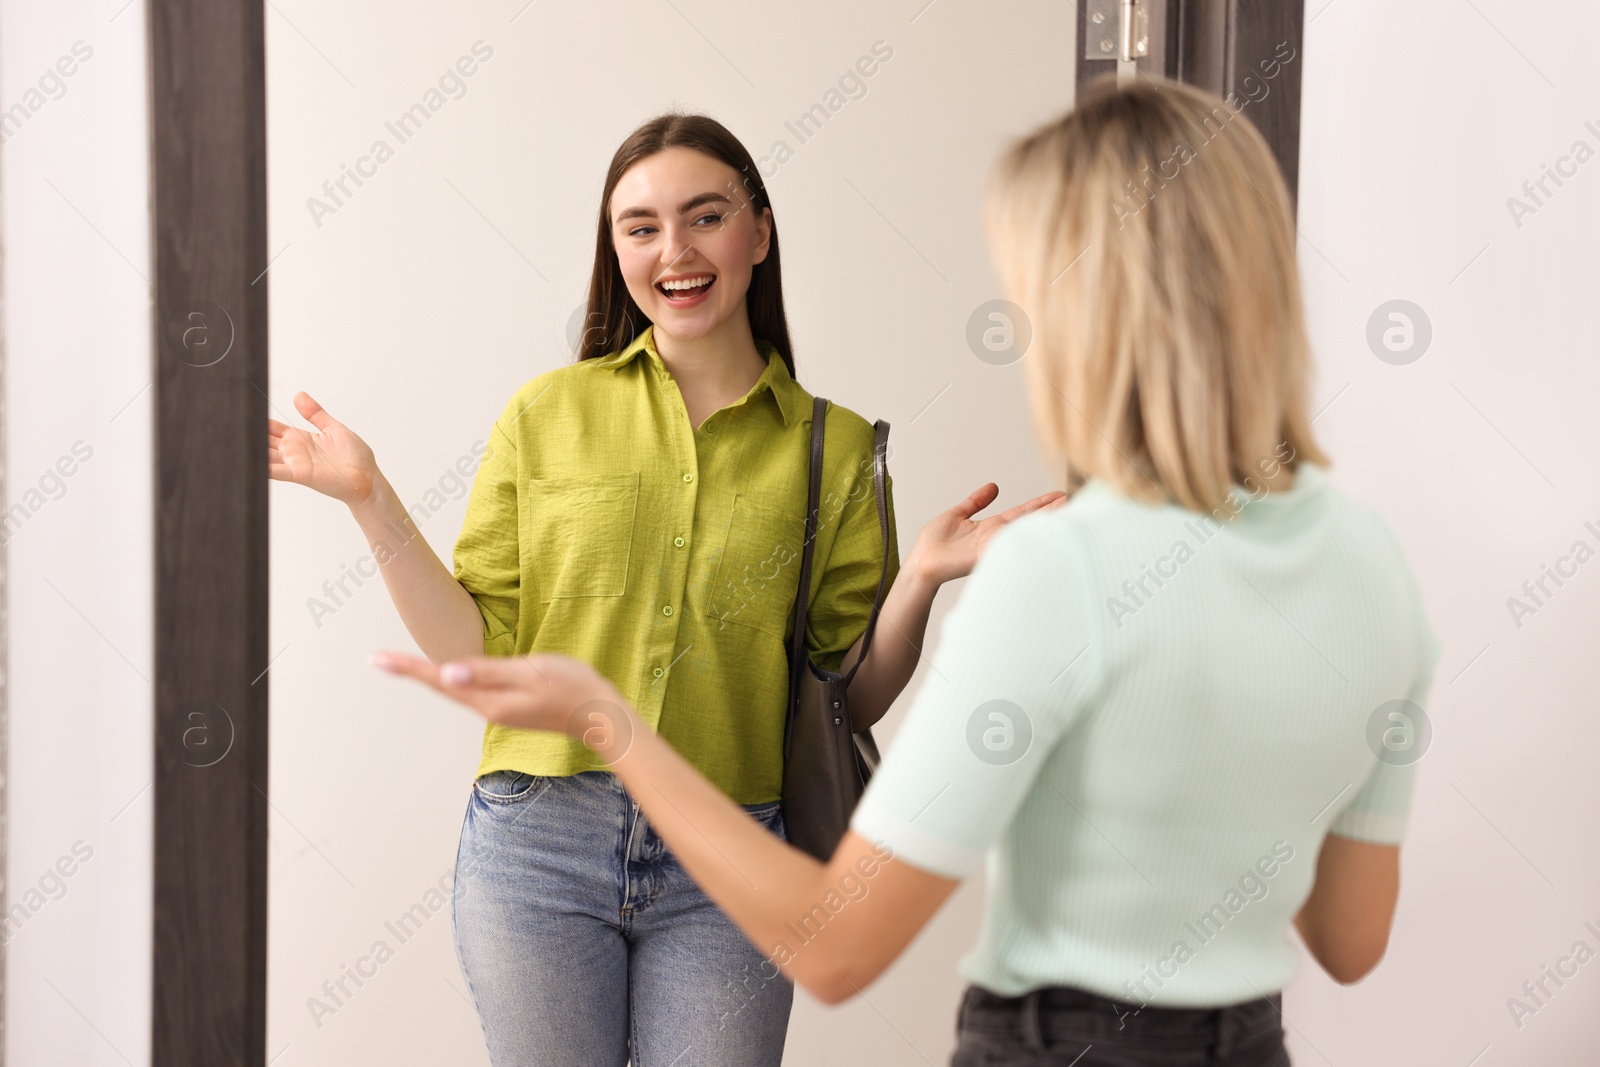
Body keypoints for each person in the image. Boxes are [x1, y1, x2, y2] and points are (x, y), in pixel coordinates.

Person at [377, 76, 1444, 1065]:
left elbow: (835, 944)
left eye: (1033, 282)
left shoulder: (1058, 568)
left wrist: (610, 723)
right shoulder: (1369, 560)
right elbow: (1349, 939)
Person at [270, 111, 1063, 1067]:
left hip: (732, 854)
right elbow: (471, 654)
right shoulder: (545, 413)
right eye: (640, 226)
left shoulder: (838, 448)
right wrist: (368, 498)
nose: (674, 251)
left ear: (759, 232)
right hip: (538, 841)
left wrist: (925, 579)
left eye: (705, 216)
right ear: (615, 249)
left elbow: (846, 695)